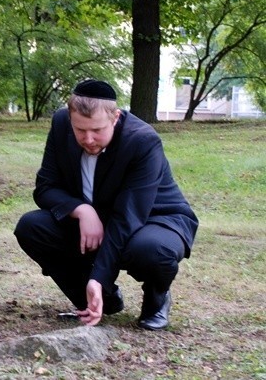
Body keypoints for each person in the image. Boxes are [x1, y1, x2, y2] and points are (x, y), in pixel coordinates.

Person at [14, 79, 198, 330]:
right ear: (70, 118)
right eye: (80, 130)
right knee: (31, 227)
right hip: (97, 216)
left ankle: (156, 300)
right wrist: (82, 210)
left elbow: (128, 216)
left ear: (115, 117)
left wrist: (98, 276)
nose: (88, 139)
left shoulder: (142, 141)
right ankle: (102, 301)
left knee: (153, 250)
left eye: (97, 130)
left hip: (154, 219)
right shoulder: (60, 124)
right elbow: (46, 187)